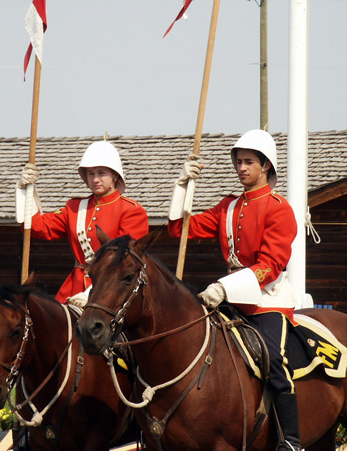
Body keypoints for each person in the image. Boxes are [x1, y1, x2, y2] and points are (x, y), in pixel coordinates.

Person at [167, 129, 301, 451]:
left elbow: (271, 265)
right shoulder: (227, 206)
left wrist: (224, 287)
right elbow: (178, 228)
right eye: (239, 161)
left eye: (249, 162)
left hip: (266, 303)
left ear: (266, 165)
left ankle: (291, 441)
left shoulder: (279, 208)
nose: (242, 167)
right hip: (227, 299)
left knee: (274, 360)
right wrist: (182, 185)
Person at [16, 140, 149, 305]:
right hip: (74, 287)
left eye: (101, 173)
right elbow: (37, 226)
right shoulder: (75, 207)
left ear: (115, 175)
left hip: (112, 290)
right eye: (91, 173)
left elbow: (126, 260)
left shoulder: (131, 210)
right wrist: (24, 190)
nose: (95, 179)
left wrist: (92, 292)